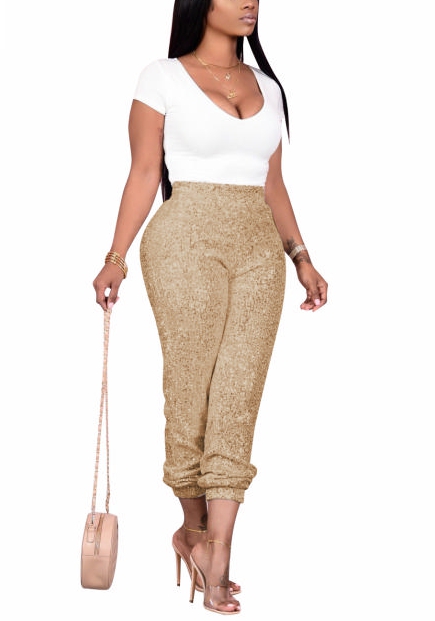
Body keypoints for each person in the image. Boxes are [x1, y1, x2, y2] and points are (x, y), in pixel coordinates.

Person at [93, 0, 328, 614]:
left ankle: (219, 554)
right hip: (184, 242)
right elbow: (145, 172)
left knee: (239, 394)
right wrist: (115, 258)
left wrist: (301, 257)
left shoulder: (269, 87)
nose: (249, 1)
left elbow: (273, 183)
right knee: (191, 387)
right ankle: (193, 531)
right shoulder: (162, 77)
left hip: (258, 250)